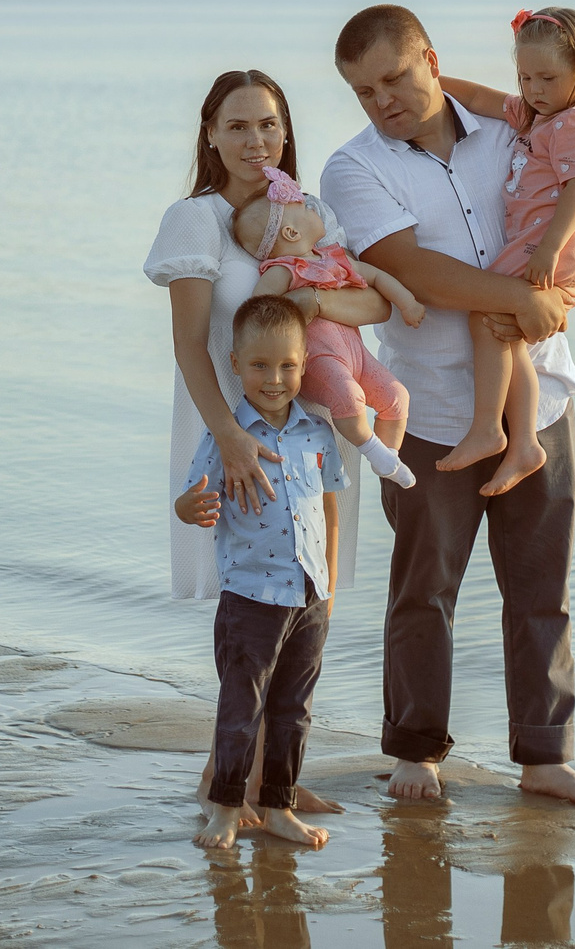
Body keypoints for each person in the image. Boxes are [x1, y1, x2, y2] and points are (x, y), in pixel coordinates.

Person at [319, 4, 575, 812]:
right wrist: (528, 299)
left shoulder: (515, 122)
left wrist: (558, 285)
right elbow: (413, 270)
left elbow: (571, 192)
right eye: (362, 89)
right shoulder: (353, 169)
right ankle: (417, 750)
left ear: (431, 59)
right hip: (429, 413)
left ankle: (546, 757)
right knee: (425, 589)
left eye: (395, 76)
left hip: (542, 392)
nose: (381, 99)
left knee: (541, 589)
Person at [146, 70, 390, 821]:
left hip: (311, 426)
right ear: (211, 133)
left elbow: (374, 297)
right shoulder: (198, 220)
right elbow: (190, 346)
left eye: (271, 125)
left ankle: (270, 780)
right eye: (240, 125)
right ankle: (228, 781)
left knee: (304, 602)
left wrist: (310, 298)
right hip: (232, 427)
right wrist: (229, 439)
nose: (258, 141)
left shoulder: (304, 212)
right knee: (247, 611)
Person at [175, 294, 347, 850]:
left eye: (288, 366)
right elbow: (189, 499)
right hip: (251, 596)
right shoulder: (227, 439)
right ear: (235, 365)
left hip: (310, 596)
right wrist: (191, 510)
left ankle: (279, 807)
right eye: (259, 365)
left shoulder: (318, 434)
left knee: (294, 711)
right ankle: (225, 806)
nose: (274, 379)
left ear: (304, 365)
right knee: (240, 710)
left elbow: (329, 510)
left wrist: (331, 584)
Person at [432, 7, 575, 497]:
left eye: (548, 77)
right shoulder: (534, 114)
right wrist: (426, 79)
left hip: (549, 244)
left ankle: (492, 429)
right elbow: (473, 97)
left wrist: (549, 250)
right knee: (502, 332)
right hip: (534, 243)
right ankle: (524, 443)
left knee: (484, 312)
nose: (535, 88)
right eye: (526, 76)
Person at [234, 165, 422, 488]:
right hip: (321, 358)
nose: (314, 208)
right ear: (291, 233)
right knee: (349, 397)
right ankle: (374, 450)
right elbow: (258, 309)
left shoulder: (333, 257)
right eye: (305, 208)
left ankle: (388, 457)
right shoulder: (283, 269)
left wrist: (407, 301)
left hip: (356, 353)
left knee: (397, 395)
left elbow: (374, 277)